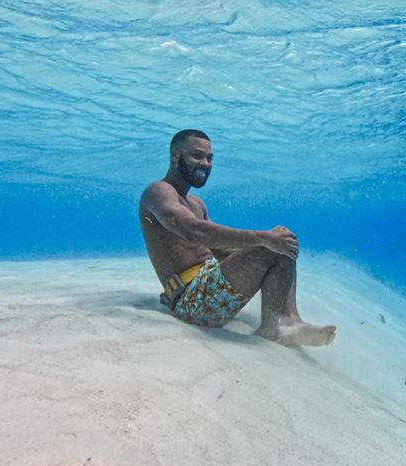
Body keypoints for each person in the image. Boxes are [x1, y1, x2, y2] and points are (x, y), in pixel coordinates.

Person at [139, 129, 337, 347]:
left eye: (209, 158)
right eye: (197, 156)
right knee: (273, 246)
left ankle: (290, 321)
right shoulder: (158, 191)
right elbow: (193, 232)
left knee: (283, 245)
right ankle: (271, 332)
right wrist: (264, 240)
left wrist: (267, 251)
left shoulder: (196, 203)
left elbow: (219, 249)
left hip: (210, 287)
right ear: (175, 155)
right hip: (191, 300)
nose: (205, 164)